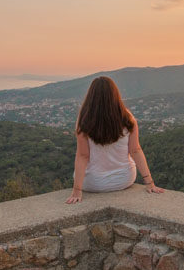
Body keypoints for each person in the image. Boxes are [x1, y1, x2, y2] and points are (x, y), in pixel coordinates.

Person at [65, 76, 164, 204]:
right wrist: (149, 183)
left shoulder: (84, 119)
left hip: (93, 183)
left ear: (91, 96)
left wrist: (77, 190)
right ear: (115, 94)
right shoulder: (127, 118)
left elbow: (83, 156)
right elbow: (135, 150)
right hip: (123, 179)